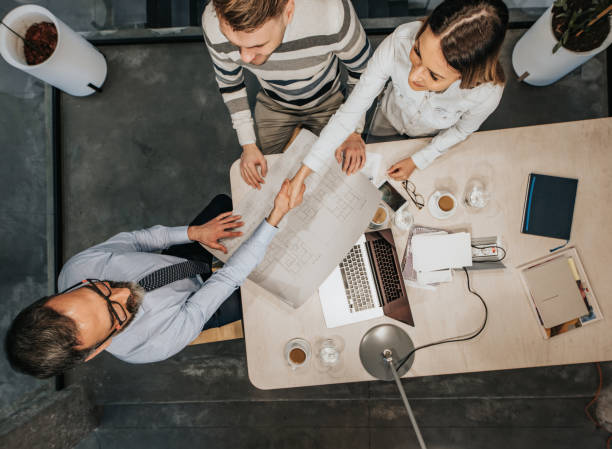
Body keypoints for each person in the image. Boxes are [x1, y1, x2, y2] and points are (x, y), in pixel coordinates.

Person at [5, 180, 305, 379]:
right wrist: (275, 218)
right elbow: (226, 281)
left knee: (225, 203)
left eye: (98, 288)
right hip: (197, 305)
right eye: (116, 313)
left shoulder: (77, 269)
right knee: (275, 288)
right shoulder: (150, 346)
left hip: (179, 261)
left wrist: (194, 233)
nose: (123, 294)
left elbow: (139, 240)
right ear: (94, 351)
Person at [288, 0, 509, 201]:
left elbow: (461, 131)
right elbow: (350, 113)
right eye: (418, 52)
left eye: (434, 76)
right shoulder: (401, 39)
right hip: (387, 115)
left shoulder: (486, 93)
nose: (413, 77)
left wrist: (419, 159)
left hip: (428, 137)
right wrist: (302, 175)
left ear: (466, 76)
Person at [202, 0, 372, 189]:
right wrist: (248, 144)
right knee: (273, 179)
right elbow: (230, 83)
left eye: (258, 45)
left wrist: (353, 129)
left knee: (335, 180)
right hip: (273, 103)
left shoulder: (332, 12)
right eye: (235, 44)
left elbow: (364, 72)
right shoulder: (213, 21)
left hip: (328, 101)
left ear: (288, 12)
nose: (245, 58)